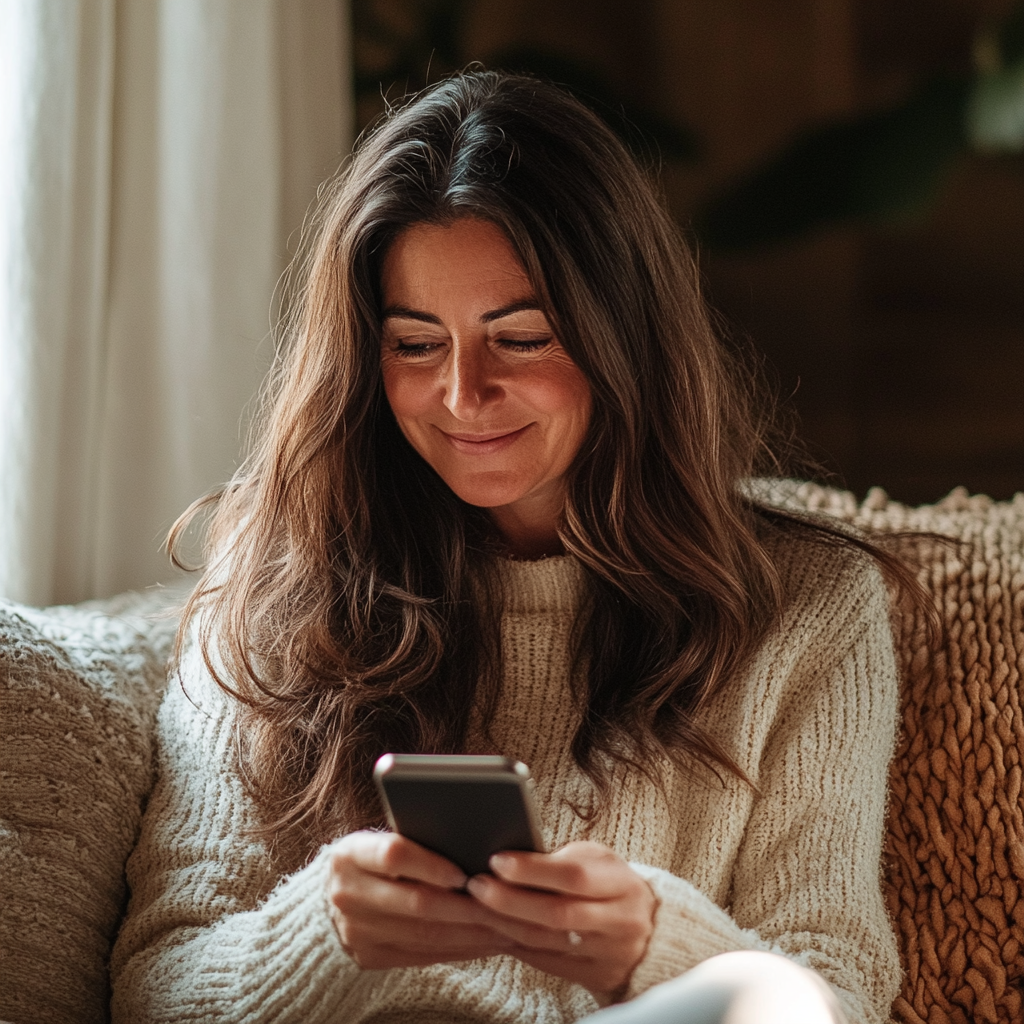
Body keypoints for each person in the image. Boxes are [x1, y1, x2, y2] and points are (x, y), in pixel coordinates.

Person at [110, 71, 909, 1023]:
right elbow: (157, 987)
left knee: (759, 995)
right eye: (414, 345)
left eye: (520, 338)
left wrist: (654, 946)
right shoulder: (274, 583)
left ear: (624, 341)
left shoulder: (808, 603)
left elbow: (837, 995)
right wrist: (319, 933)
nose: (461, 393)